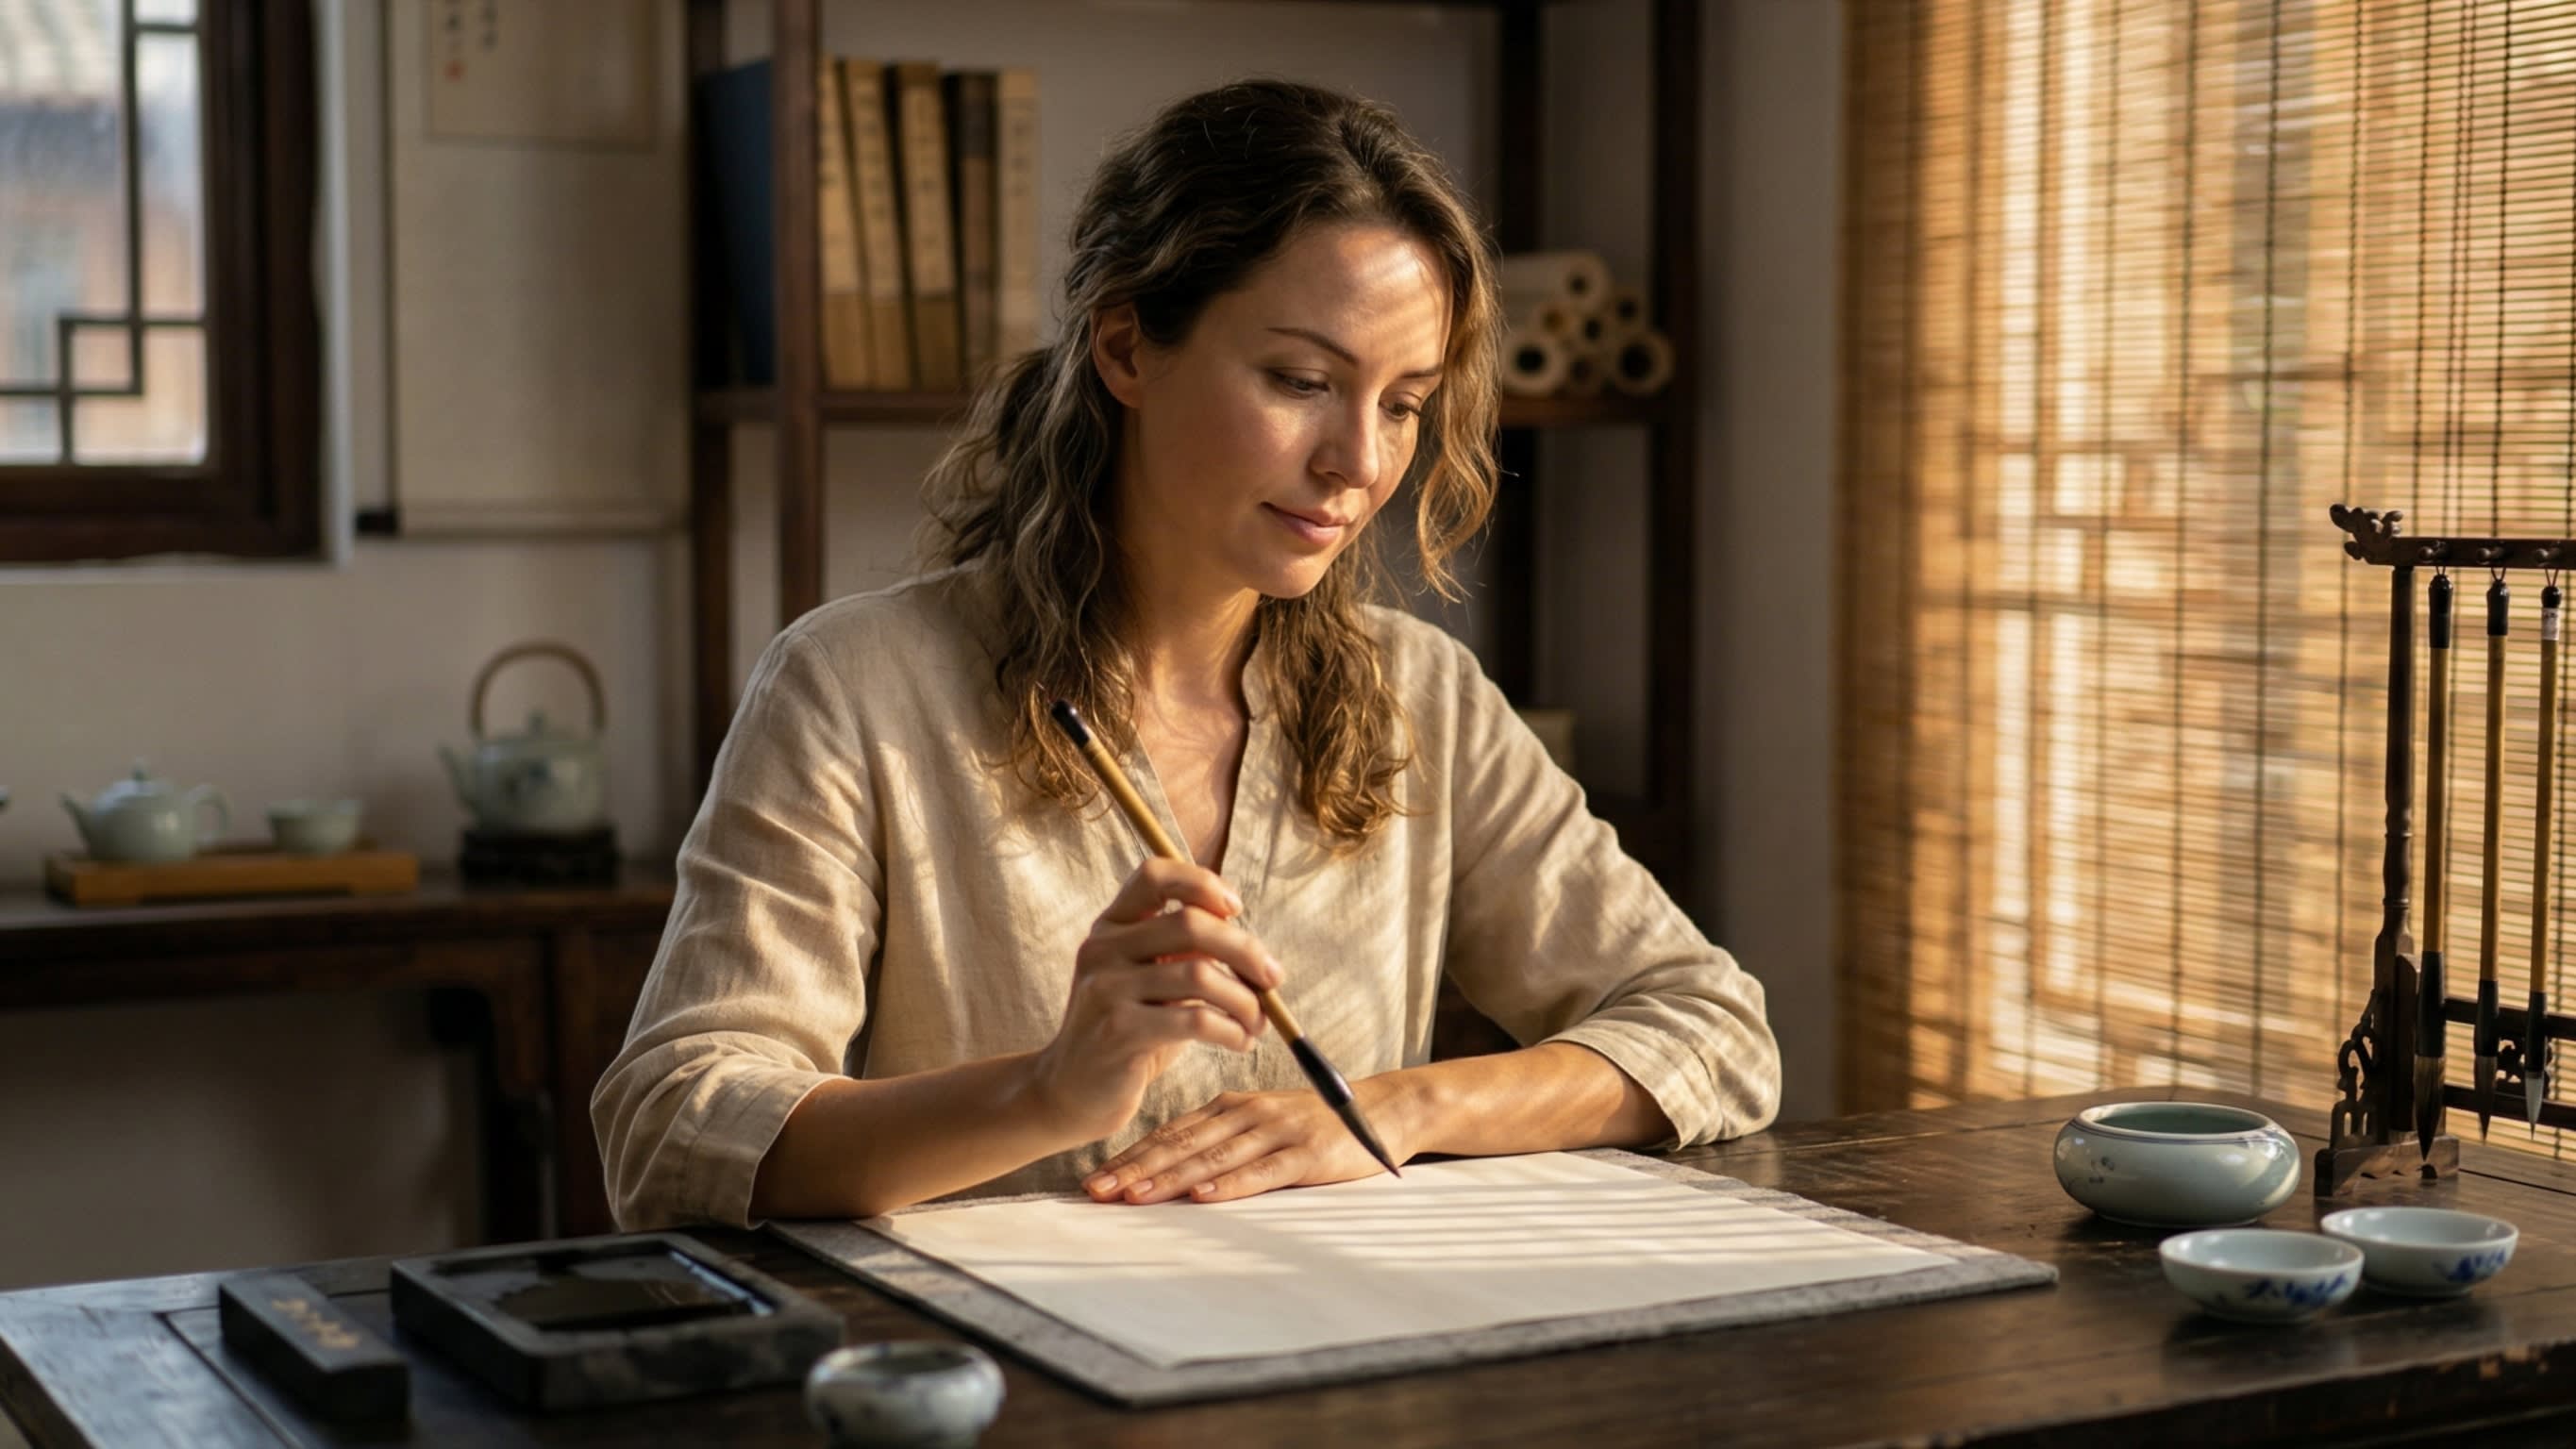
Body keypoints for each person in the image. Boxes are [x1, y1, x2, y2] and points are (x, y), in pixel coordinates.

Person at [593, 78, 1780, 1230]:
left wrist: (1386, 1111)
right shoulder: (857, 686)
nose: (1358, 463)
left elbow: (1710, 1028)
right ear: (1125, 349)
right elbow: (672, 1125)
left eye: (1406, 402)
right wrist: (1046, 1090)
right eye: (1302, 382)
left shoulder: (1423, 696)